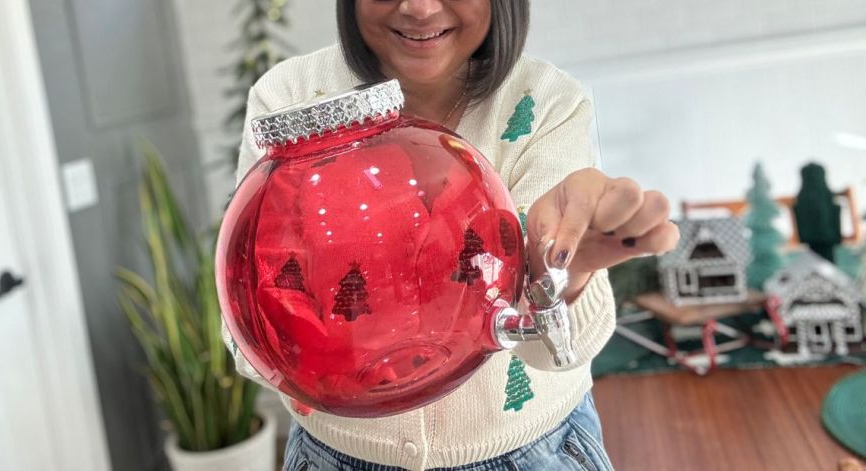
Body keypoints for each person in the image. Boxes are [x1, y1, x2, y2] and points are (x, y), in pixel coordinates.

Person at [231, 1, 679, 469]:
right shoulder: (288, 96)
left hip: (530, 452)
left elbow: (553, 354)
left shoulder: (546, 102)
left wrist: (561, 279)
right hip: (334, 455)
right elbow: (246, 328)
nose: (419, 8)